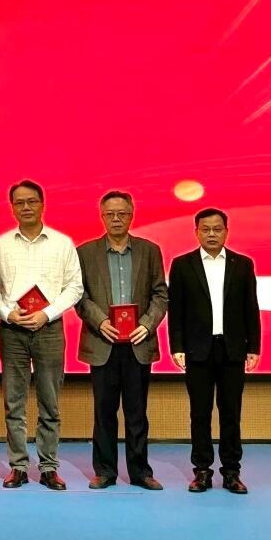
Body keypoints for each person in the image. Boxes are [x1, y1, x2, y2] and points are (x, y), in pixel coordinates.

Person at [0, 180, 84, 490]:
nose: (26, 207)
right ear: (12, 208)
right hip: (12, 330)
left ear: (43, 204)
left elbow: (75, 287)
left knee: (50, 402)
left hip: (49, 329)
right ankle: (18, 466)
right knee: (13, 402)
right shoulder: (1, 245)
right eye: (19, 202)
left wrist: (48, 313)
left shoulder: (62, 243)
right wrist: (8, 313)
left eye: (32, 201)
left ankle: (48, 467)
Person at [74, 191, 167, 490]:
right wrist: (100, 321)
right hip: (102, 342)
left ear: (132, 215)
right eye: (110, 214)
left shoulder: (149, 250)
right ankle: (105, 471)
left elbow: (160, 294)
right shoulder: (85, 252)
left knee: (137, 412)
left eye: (122, 213)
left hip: (138, 343)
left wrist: (147, 324)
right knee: (104, 412)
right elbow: (80, 296)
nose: (116, 219)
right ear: (102, 216)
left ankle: (140, 472)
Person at [167, 208, 261, 495]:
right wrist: (177, 346)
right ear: (196, 232)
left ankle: (232, 472)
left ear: (226, 232)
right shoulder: (182, 264)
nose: (211, 234)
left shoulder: (242, 264)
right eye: (205, 229)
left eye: (217, 229)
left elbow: (251, 307)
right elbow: (176, 310)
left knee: (231, 413)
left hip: (232, 349)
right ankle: (202, 471)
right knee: (200, 414)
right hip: (197, 350)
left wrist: (254, 347)